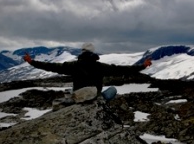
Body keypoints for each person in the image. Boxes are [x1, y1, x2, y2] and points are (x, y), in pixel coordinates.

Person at [23, 43, 152, 102]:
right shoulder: (100, 66)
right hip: (94, 97)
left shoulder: (72, 65)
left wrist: (32, 62)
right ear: (93, 53)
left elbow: (51, 66)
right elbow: (121, 70)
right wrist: (142, 66)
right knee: (112, 90)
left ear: (82, 52)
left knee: (69, 92)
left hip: (78, 96)